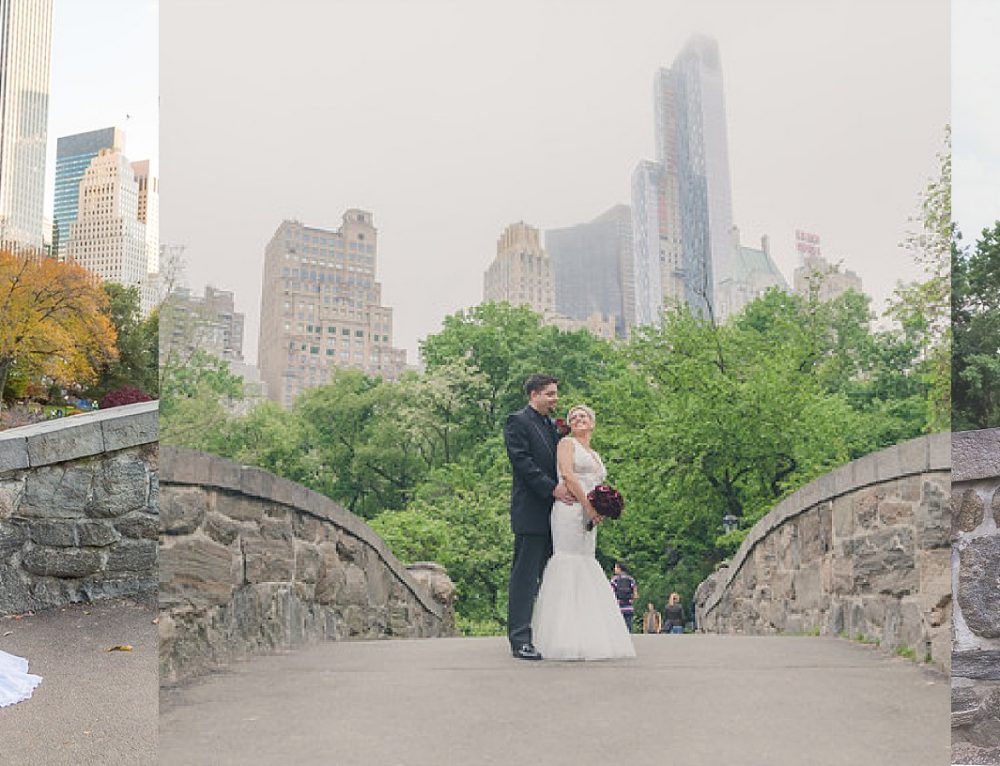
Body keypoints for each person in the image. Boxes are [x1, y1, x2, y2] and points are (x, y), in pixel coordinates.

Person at [531, 404, 635, 660]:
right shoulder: (567, 444)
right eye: (573, 417)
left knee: (587, 563)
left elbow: (597, 483)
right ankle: (563, 638)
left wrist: (602, 508)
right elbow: (567, 475)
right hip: (569, 511)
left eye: (583, 416)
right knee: (568, 563)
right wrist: (588, 506)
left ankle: (589, 635)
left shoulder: (596, 454)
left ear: (592, 423)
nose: (578, 419)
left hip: (589, 516)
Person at [503, 374, 575, 661]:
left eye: (555, 393)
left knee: (551, 576)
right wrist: (552, 489)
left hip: (557, 517)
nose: (555, 399)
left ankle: (548, 634)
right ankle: (519, 639)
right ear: (533, 395)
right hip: (531, 512)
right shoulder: (517, 421)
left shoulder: (551, 425)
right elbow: (522, 462)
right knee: (525, 577)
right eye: (550, 394)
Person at [610, 562, 638, 633]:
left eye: (616, 567)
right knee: (629, 627)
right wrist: (631, 599)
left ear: (619, 568)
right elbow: (635, 595)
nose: (614, 569)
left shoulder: (614, 580)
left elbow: (611, 594)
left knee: (618, 629)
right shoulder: (631, 579)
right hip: (629, 607)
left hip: (618, 607)